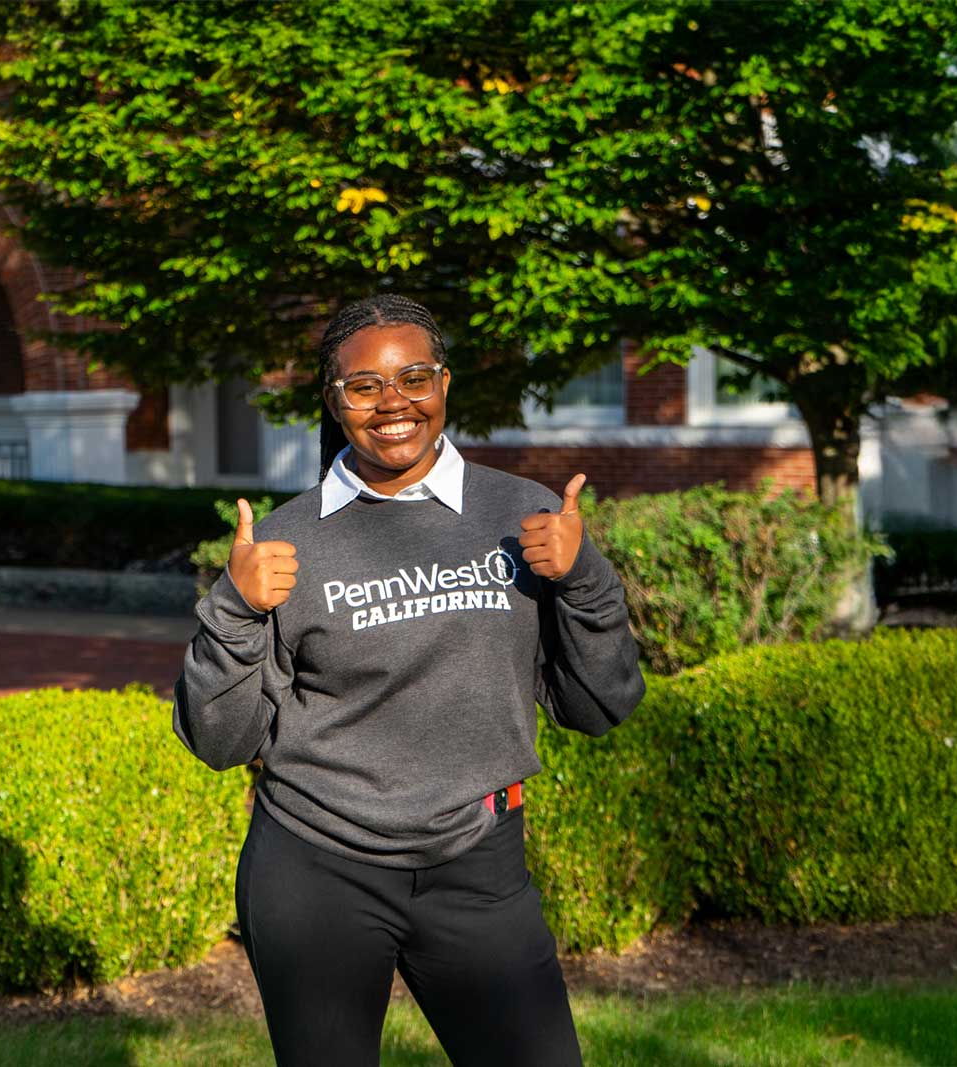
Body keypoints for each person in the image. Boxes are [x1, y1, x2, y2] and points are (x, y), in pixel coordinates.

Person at [172, 293, 646, 1067]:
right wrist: (234, 606)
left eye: (414, 377)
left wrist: (582, 576)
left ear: (444, 383)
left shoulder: (522, 517)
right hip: (315, 868)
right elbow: (221, 741)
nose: (394, 403)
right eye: (364, 386)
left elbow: (600, 704)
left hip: (479, 863)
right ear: (335, 401)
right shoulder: (284, 542)